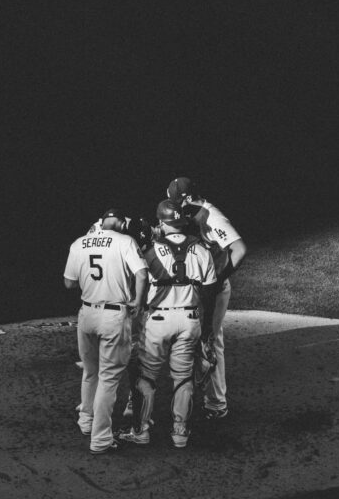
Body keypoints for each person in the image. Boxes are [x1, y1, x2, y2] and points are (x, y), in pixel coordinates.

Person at [118, 199, 218, 449]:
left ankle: (140, 430)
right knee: (184, 378)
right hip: (190, 321)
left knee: (146, 376)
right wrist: (206, 331)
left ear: (161, 223)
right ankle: (180, 432)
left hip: (158, 321)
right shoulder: (203, 251)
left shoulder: (149, 251)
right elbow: (210, 294)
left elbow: (135, 282)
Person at [63, 208, 148, 455]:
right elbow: (141, 274)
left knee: (91, 372)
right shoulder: (125, 241)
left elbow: (68, 282)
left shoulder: (79, 243)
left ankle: (86, 421)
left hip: (87, 314)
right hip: (113, 315)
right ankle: (100, 439)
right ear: (120, 222)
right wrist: (138, 302)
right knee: (109, 378)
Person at [166, 177, 247, 420]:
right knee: (195, 338)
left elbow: (240, 249)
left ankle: (216, 403)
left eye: (176, 201)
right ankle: (203, 395)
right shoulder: (191, 212)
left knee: (209, 340)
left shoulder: (213, 216)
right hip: (199, 287)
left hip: (212, 289)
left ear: (188, 199)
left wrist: (217, 278)